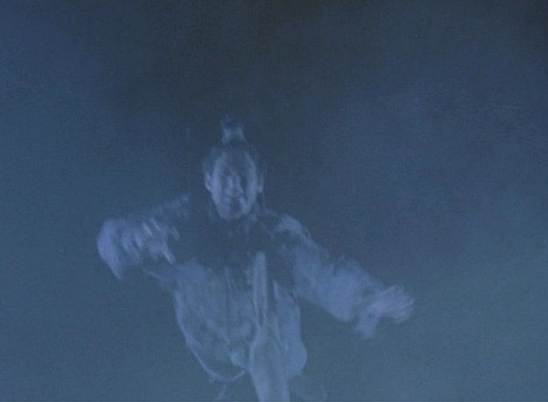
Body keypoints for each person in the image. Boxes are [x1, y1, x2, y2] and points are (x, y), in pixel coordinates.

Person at [97, 117, 413, 401]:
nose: (235, 187)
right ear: (208, 180)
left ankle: (283, 382)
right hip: (218, 362)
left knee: (266, 317)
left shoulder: (274, 235)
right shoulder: (181, 223)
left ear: (259, 183)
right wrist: (133, 241)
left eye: (244, 177)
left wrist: (367, 298)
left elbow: (320, 272)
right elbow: (112, 241)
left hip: (275, 358)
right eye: (226, 176)